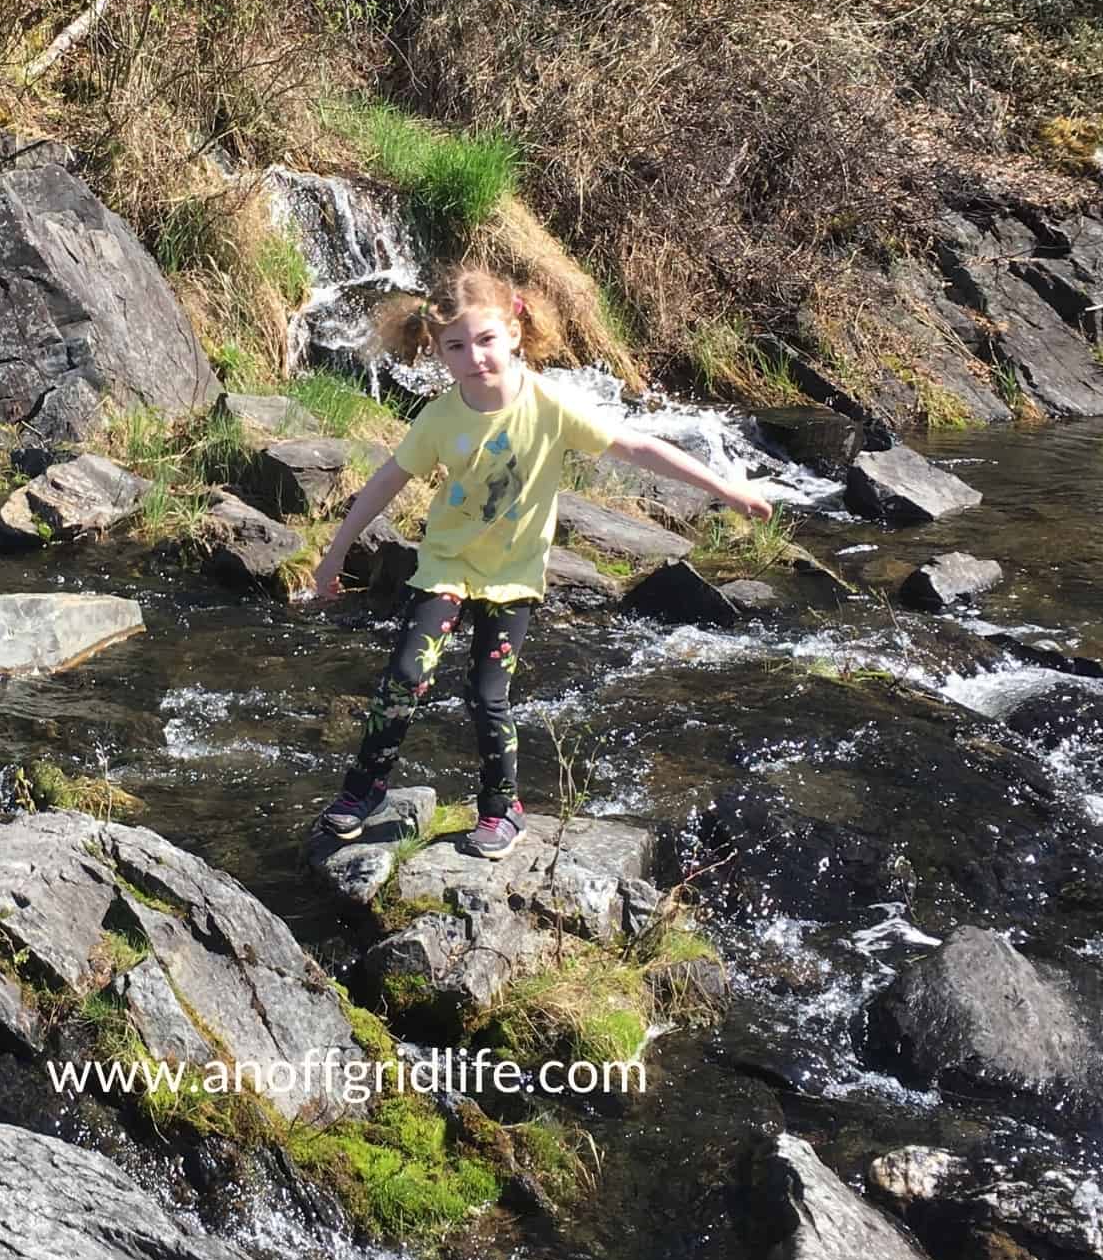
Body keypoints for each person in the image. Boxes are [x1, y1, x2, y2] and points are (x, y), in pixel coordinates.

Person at [302, 268, 773, 860]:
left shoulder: (549, 405)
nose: (473, 358)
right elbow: (387, 481)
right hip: (446, 564)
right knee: (405, 676)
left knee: (485, 694)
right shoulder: (441, 417)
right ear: (437, 351)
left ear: (514, 333)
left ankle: (502, 811)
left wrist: (726, 489)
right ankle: (364, 791)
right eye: (455, 347)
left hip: (513, 575)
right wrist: (337, 551)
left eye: (485, 340)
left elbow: (640, 446)